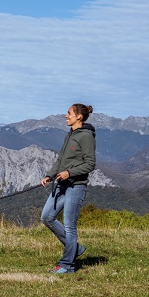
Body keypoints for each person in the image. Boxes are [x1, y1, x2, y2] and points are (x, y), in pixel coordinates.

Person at [40, 104, 96, 274]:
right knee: (46, 217)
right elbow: (60, 160)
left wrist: (69, 172)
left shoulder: (86, 136)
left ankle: (67, 265)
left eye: (69, 113)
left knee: (70, 226)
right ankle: (75, 249)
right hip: (61, 185)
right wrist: (50, 175)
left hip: (75, 187)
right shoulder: (70, 135)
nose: (66, 116)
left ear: (79, 116)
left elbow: (90, 164)